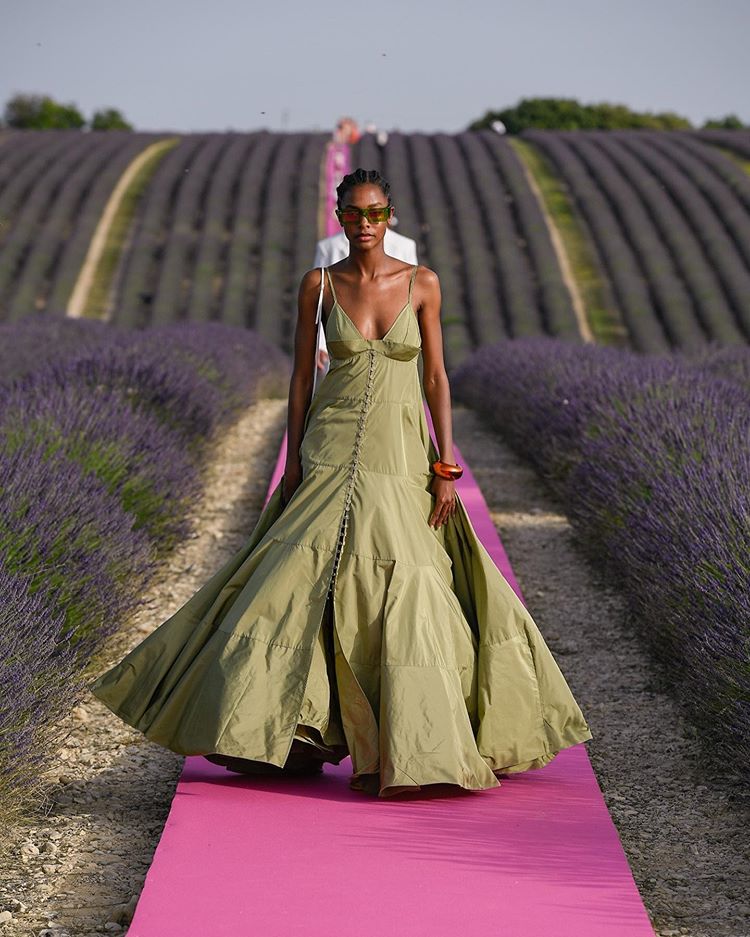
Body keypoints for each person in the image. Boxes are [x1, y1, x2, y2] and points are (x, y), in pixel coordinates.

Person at [89, 167, 592, 798]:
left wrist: (446, 467)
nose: (364, 224)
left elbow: (436, 378)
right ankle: (282, 732)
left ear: (390, 216)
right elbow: (302, 378)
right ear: (339, 217)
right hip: (328, 450)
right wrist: (294, 460)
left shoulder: (423, 283)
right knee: (291, 583)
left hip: (400, 455)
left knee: (409, 582)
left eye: (375, 213)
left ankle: (412, 742)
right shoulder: (319, 284)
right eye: (353, 214)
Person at [312, 219, 418, 381]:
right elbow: (319, 301)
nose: (365, 223)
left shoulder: (404, 246)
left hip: (390, 334)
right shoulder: (328, 247)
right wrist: (319, 346)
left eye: (375, 214)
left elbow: (412, 296)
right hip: (344, 334)